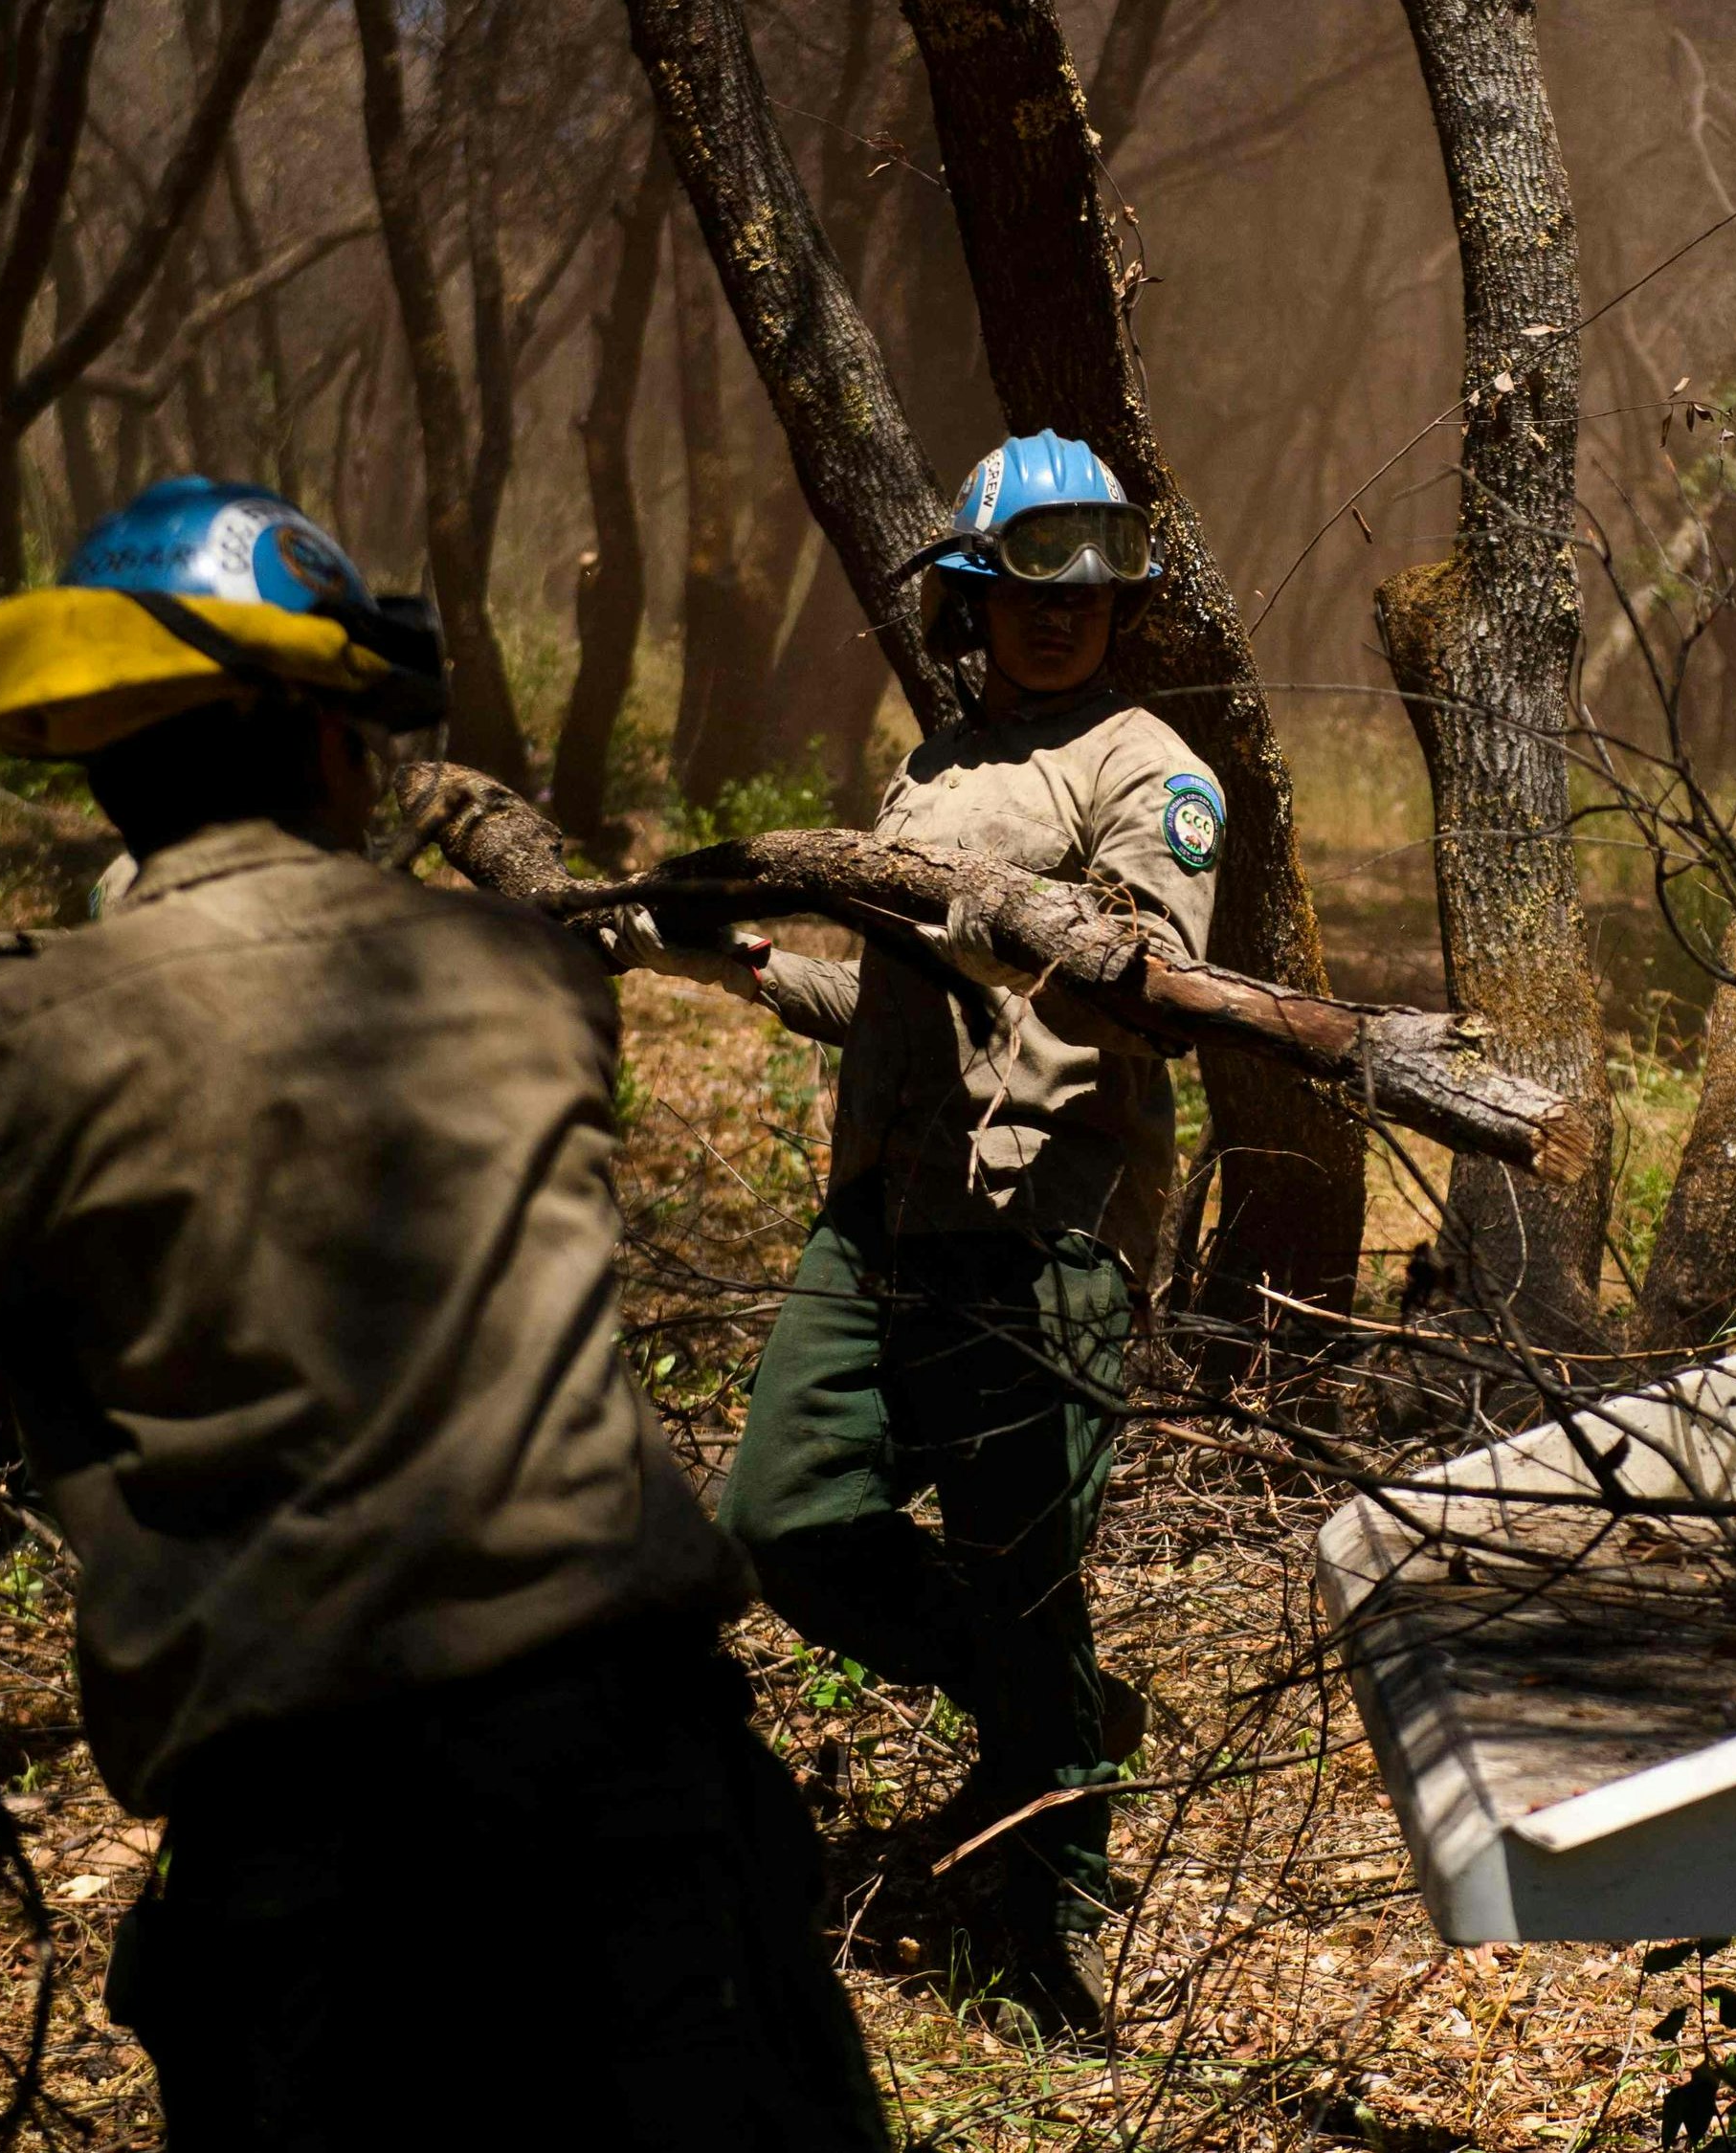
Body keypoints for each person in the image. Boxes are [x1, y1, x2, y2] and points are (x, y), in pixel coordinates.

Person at [0, 477, 892, 2151]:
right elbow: (252, 1005)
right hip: (658, 1807)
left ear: (100, 751)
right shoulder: (533, 986)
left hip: (330, 1881)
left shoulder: (18, 1053)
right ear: (325, 743)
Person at [622, 433, 1219, 2040]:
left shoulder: (1148, 770)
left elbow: (1147, 994)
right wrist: (742, 962)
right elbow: (898, 1004)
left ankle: (1040, 1932)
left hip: (1047, 1239)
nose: (1060, 615)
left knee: (1026, 1584)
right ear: (972, 591)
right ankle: (1064, 1715)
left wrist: (1010, 921)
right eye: (1029, 581)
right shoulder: (939, 762)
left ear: (1121, 603)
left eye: (1091, 586)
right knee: (782, 1517)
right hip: (884, 1219)